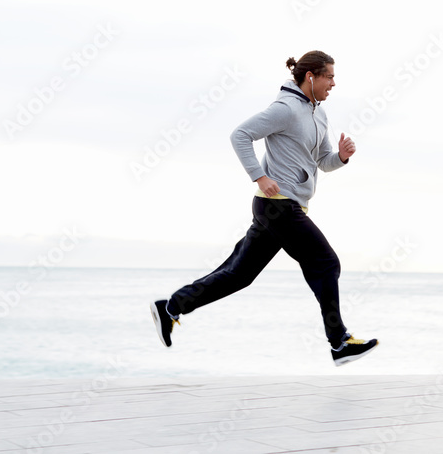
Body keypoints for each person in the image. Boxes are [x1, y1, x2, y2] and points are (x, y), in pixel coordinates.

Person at [150, 50, 379, 366]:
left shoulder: (319, 114)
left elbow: (323, 163)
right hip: (278, 206)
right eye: (329, 76)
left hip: (282, 206)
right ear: (310, 77)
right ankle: (339, 343)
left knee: (238, 274)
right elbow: (241, 135)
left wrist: (340, 157)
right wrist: (259, 175)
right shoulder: (284, 109)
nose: (334, 83)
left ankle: (171, 307)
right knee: (326, 262)